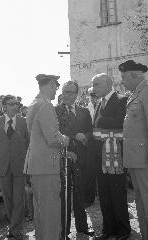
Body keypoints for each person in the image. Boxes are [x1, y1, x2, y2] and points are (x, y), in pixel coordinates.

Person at [119, 60, 148, 240]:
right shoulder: (135, 94)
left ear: (134, 75)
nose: (122, 81)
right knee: (141, 202)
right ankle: (147, 236)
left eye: (124, 77)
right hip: (136, 159)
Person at [24, 74, 70, 240]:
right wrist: (66, 140)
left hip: (37, 165)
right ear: (51, 85)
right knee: (50, 212)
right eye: (56, 87)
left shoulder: (34, 103)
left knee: (41, 211)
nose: (56, 90)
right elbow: (53, 138)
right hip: (46, 166)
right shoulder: (45, 105)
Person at [92, 73, 131, 240]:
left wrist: (102, 123)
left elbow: (122, 122)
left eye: (97, 84)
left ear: (108, 84)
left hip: (116, 155)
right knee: (104, 193)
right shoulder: (99, 103)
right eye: (93, 85)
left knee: (117, 193)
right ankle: (109, 229)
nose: (94, 88)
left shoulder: (122, 100)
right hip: (100, 157)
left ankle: (123, 230)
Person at [0, 94, 30, 240]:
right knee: (8, 199)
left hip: (19, 165)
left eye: (17, 103)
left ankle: (15, 230)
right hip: (2, 165)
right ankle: (14, 227)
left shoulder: (24, 121)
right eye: (11, 104)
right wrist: (1, 153)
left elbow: (29, 142)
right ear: (4, 106)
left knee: (19, 199)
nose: (15, 106)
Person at [55, 81, 94, 239]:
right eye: (65, 91)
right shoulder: (54, 111)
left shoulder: (84, 111)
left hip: (81, 159)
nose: (66, 94)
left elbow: (91, 131)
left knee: (80, 194)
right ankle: (64, 230)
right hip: (63, 158)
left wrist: (85, 136)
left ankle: (82, 227)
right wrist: (73, 137)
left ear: (76, 94)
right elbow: (55, 133)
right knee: (64, 196)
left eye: (70, 92)